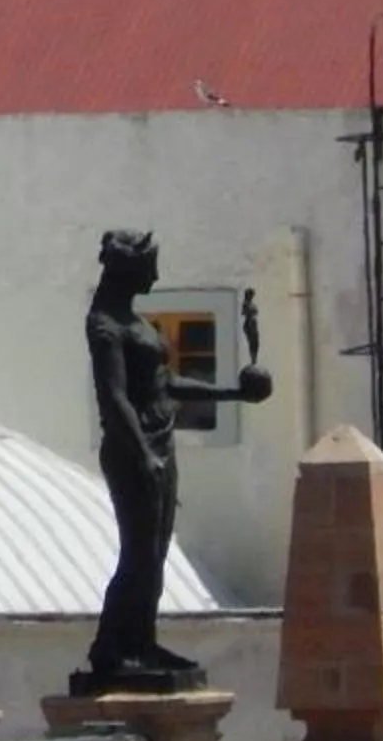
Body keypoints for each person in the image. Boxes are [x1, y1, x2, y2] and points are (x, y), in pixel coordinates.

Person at [84, 229, 268, 686]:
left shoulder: (136, 322)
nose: (157, 275)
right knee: (139, 552)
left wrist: (233, 392)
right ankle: (112, 647)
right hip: (134, 450)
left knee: (156, 552)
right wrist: (143, 452)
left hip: (158, 446)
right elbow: (114, 397)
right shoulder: (106, 324)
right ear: (129, 268)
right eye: (150, 266)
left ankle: (141, 642)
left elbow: (167, 386)